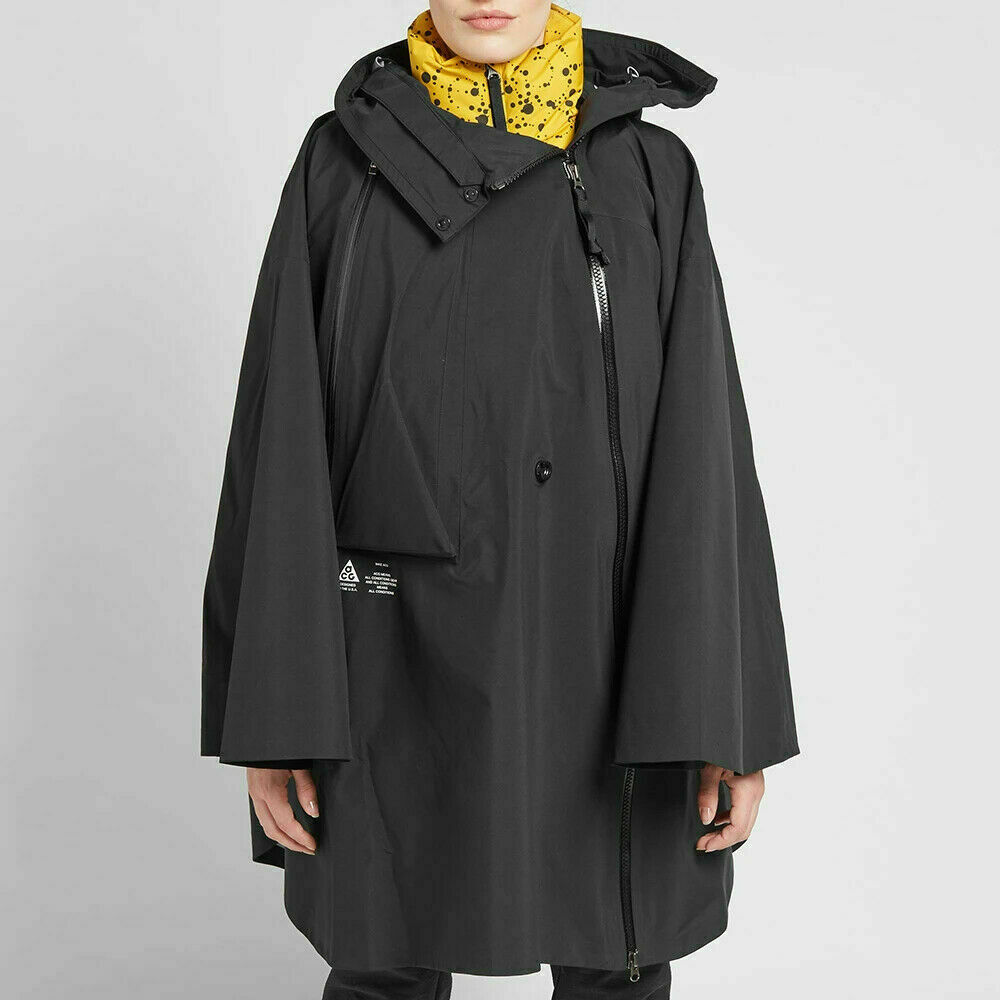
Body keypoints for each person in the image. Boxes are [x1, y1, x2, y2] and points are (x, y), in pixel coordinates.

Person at [201, 2, 799, 997]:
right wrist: (276, 714)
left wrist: (724, 715)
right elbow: (281, 438)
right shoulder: (341, 163)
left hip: (613, 650)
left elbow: (705, 450)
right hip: (387, 649)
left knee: (617, 958)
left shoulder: (648, 170)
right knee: (383, 958)